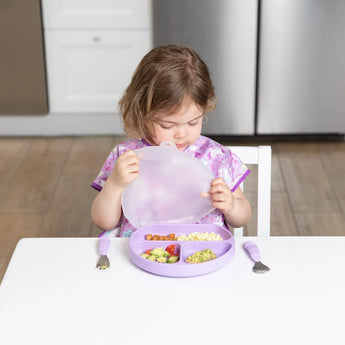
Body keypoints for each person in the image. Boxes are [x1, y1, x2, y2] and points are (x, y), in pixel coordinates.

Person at [91, 45, 251, 237]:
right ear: (143, 113)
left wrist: (232, 206)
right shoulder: (127, 157)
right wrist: (115, 184)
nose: (181, 134)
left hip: (202, 252)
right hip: (141, 252)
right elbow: (104, 222)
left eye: (193, 122)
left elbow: (242, 217)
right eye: (168, 125)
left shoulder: (217, 157)